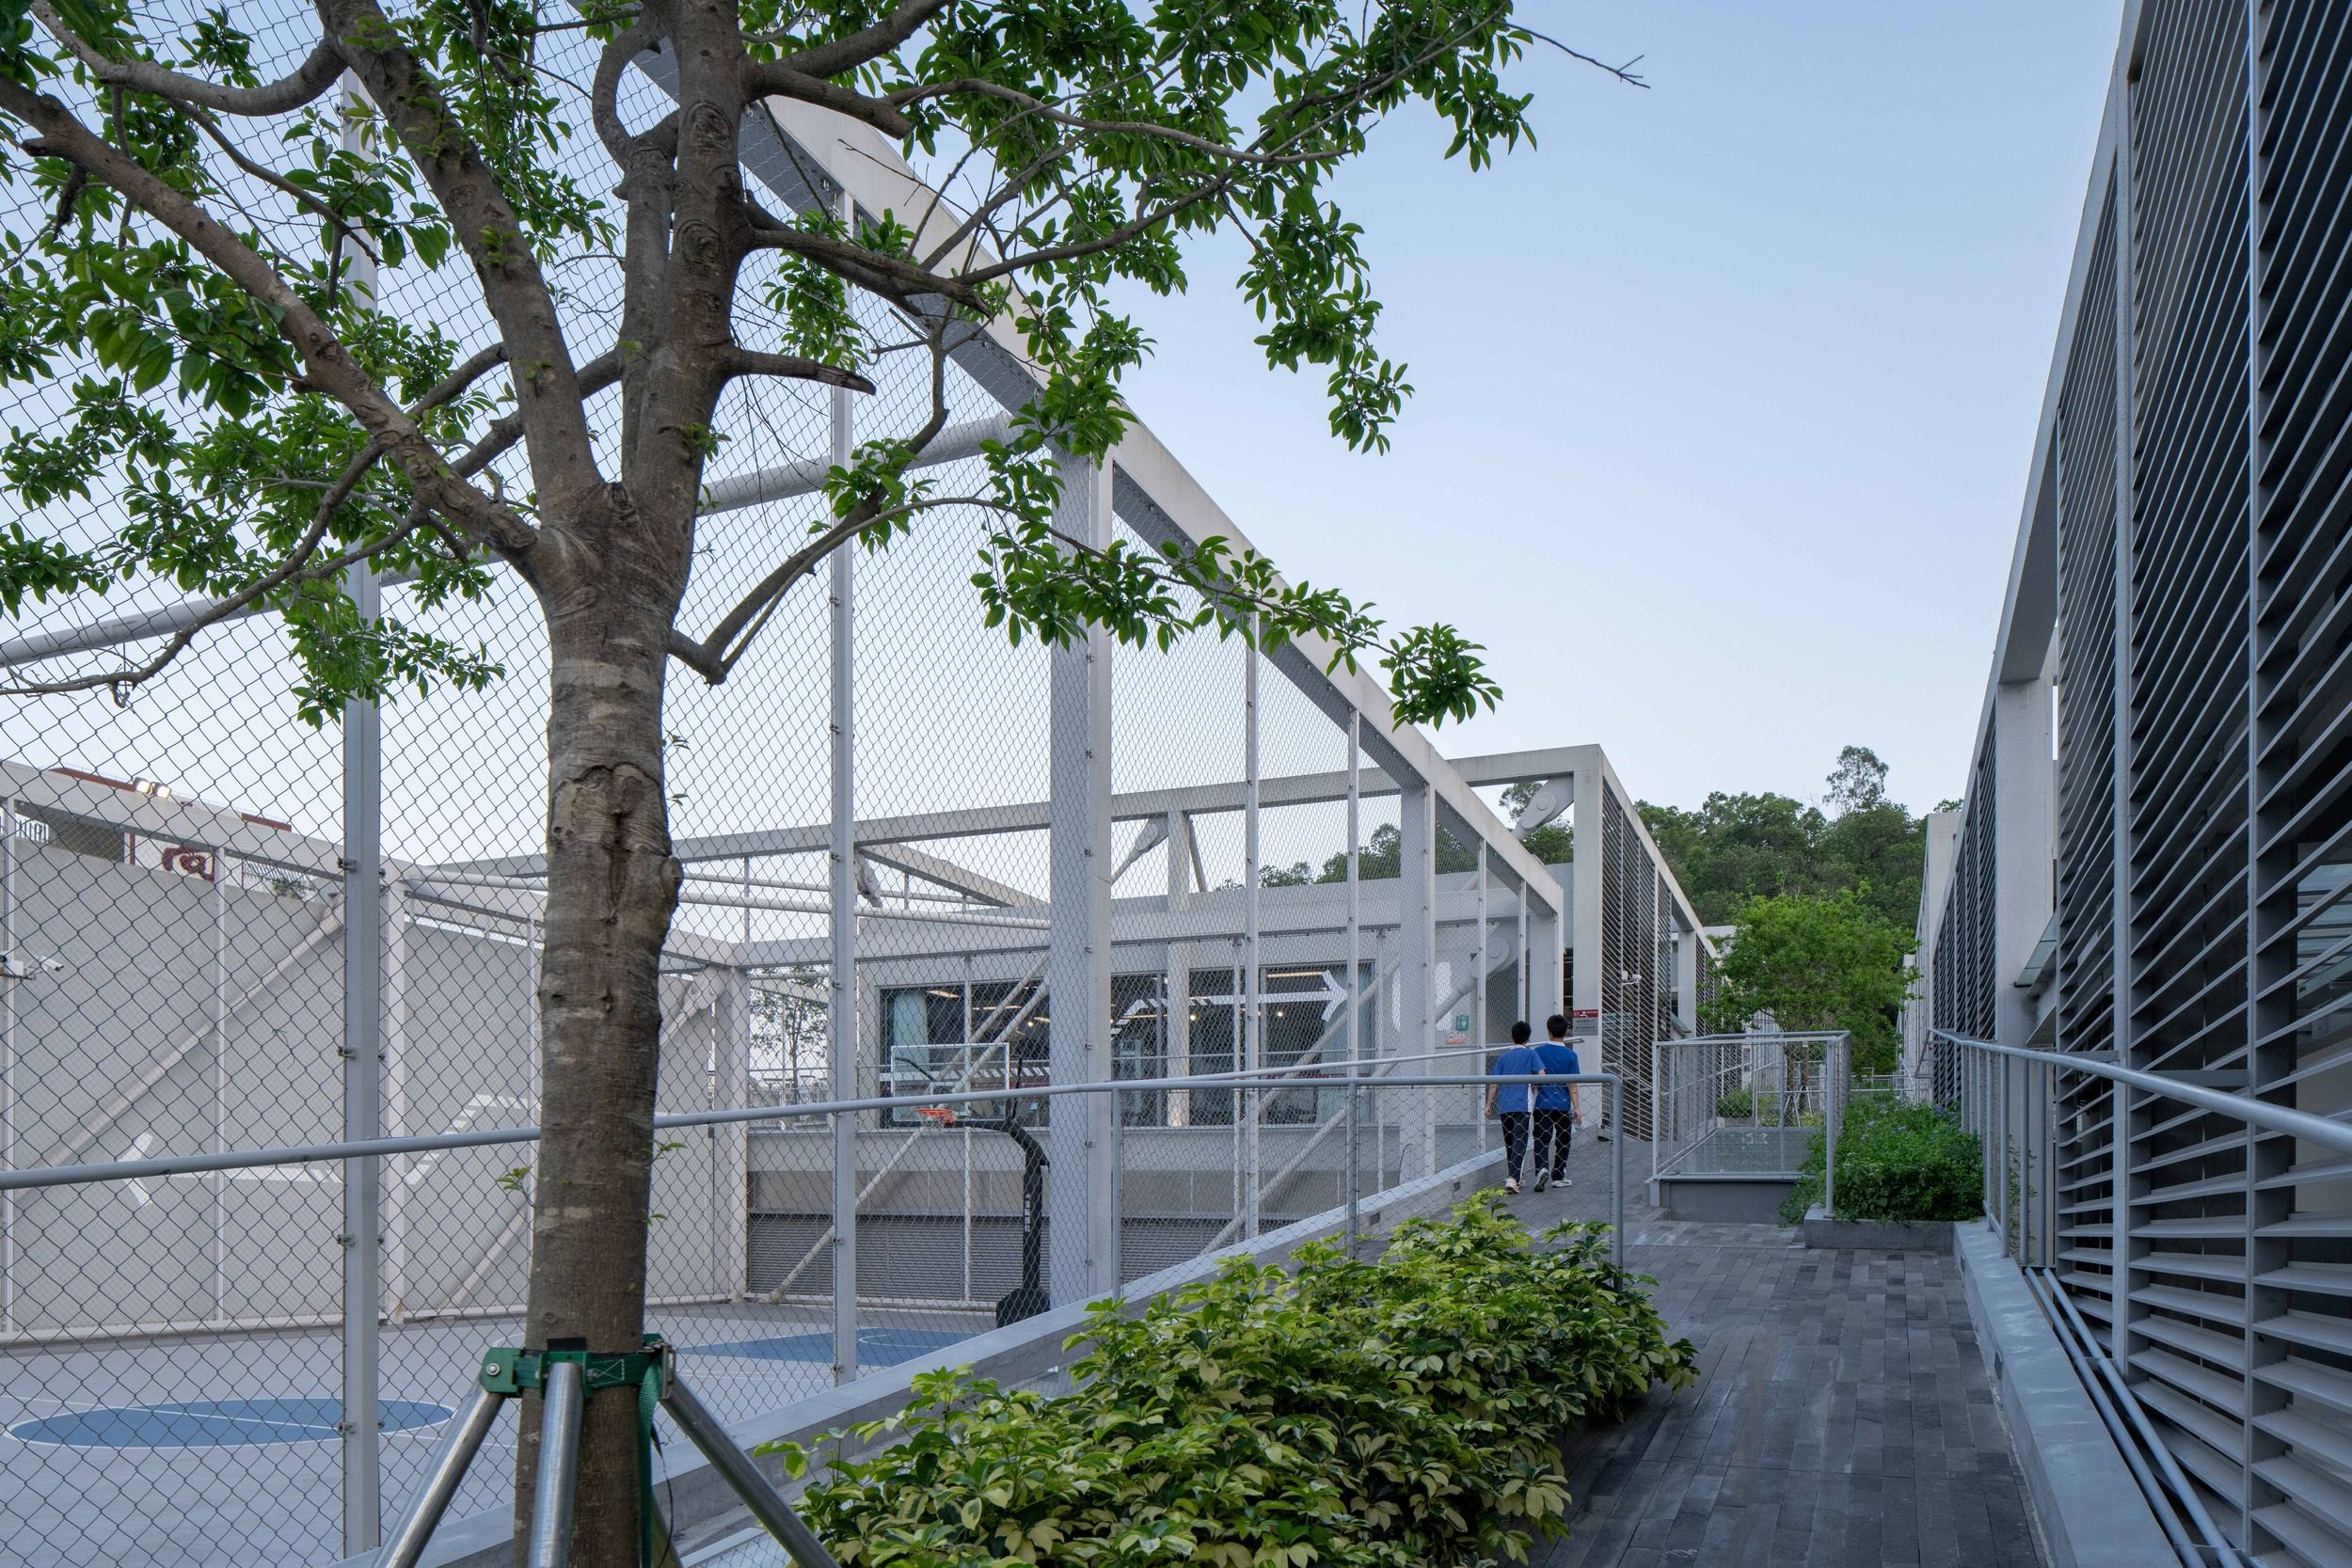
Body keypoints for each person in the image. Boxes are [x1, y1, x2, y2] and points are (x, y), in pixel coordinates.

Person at [1486, 1021, 1541, 1194]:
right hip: (1522, 1104)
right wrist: (1534, 1086)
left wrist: (1488, 1104)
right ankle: (1513, 1178)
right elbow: (1541, 1074)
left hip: (1504, 1105)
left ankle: (1516, 1177)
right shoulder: (1531, 1054)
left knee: (1509, 1142)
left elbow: (1493, 1082)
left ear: (1512, 1036)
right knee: (1520, 1141)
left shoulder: (1503, 1058)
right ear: (1528, 1038)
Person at [1529, 1014, 1581, 1191]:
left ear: (1548, 1031)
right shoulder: (1571, 1056)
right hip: (1563, 1105)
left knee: (1541, 1139)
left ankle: (1541, 1170)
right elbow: (1573, 1085)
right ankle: (1558, 1175)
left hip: (1542, 1104)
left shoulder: (1538, 1052)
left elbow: (1532, 1080)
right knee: (1563, 1140)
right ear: (1566, 1032)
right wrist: (1577, 1108)